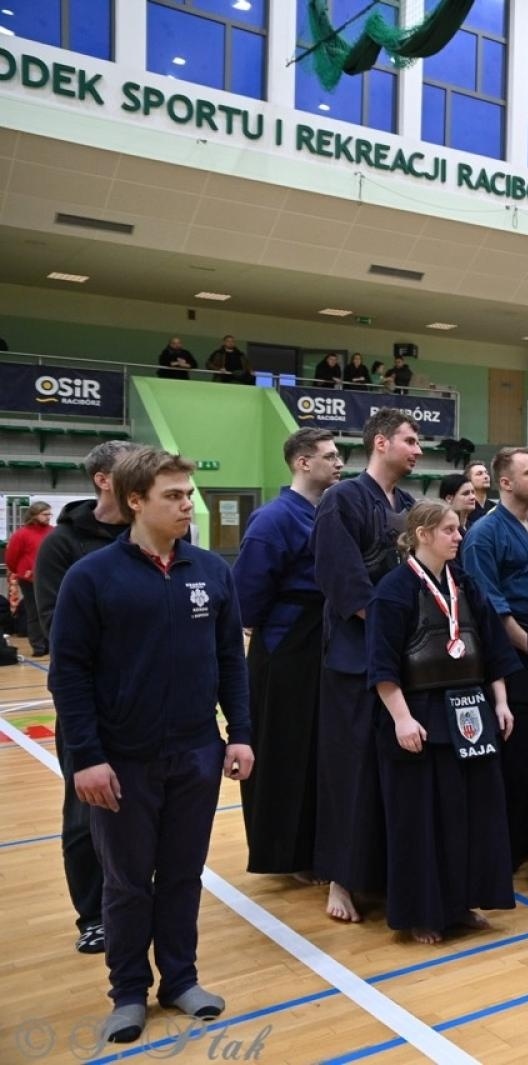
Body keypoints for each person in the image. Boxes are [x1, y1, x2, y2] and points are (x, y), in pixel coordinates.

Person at [49, 449, 251, 1043]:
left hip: (196, 754)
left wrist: (239, 734)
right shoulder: (92, 576)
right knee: (127, 882)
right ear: (135, 500)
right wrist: (86, 757)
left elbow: (230, 661)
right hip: (122, 760)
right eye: (174, 495)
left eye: (189, 494)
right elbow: (70, 674)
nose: (188, 504)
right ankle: (129, 992)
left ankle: (181, 980)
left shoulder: (212, 571)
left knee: (184, 873)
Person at [367, 500, 519, 943]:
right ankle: (423, 912)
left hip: (471, 712)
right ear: (422, 534)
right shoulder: (393, 590)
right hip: (421, 715)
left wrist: (503, 704)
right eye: (450, 529)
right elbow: (382, 666)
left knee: (471, 813)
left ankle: (463, 902)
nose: (459, 536)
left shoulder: (466, 585)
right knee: (421, 819)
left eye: (459, 529)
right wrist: (401, 719)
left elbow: (493, 650)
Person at [311, 408, 421, 922]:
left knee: (394, 770)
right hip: (355, 659)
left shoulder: (410, 505)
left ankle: (387, 870)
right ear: (381, 443)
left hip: (405, 657)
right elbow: (343, 582)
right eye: (410, 440)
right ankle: (340, 878)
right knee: (349, 769)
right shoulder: (343, 500)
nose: (417, 450)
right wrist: (387, 629)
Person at [34, 438, 142, 955]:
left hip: (150, 701)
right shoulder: (64, 545)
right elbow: (59, 630)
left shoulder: (153, 535)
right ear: (104, 479)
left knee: (144, 807)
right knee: (85, 811)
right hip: (92, 701)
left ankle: (137, 904)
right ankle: (92, 916)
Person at [232, 429, 343, 878]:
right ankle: (285, 853)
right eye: (330, 456)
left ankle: (318, 844)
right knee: (284, 750)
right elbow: (246, 593)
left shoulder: (332, 512)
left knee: (319, 747)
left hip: (323, 640)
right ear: (302, 462)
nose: (339, 463)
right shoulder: (273, 519)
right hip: (284, 647)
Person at [460, 448, 528, 869]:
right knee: (515, 760)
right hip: (510, 659)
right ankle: (509, 847)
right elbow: (493, 610)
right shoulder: (484, 535)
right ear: (505, 482)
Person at [6, 501, 54, 656]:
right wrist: (22, 571)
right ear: (34, 515)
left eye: (49, 514)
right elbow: (11, 558)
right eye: (45, 514)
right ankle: (38, 646)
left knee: (52, 612)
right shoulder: (21, 534)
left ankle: (51, 644)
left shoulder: (54, 532)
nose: (49, 517)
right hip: (29, 580)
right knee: (34, 613)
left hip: (50, 579)